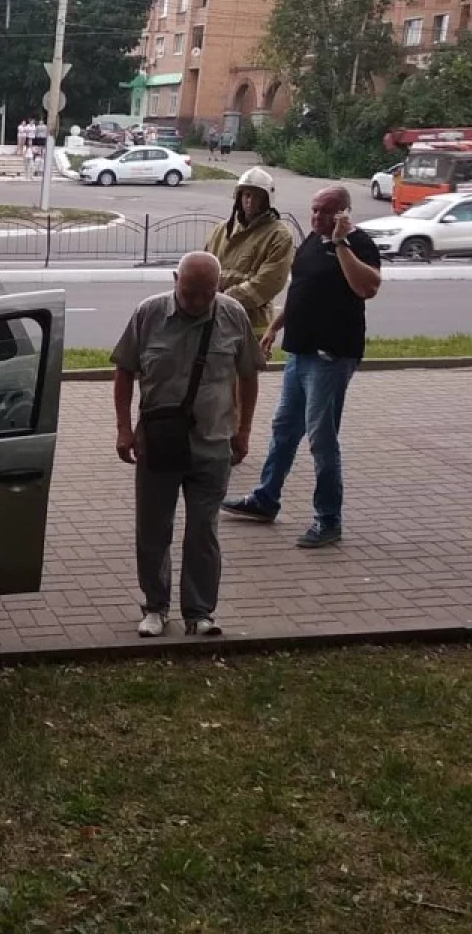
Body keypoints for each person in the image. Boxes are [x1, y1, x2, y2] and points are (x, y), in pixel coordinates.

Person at [221, 185, 382, 548]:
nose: (317, 217)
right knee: (284, 428)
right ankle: (266, 498)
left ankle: (328, 519)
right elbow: (301, 289)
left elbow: (367, 288)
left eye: (326, 211)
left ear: (343, 213)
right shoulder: (311, 240)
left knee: (321, 439)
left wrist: (340, 244)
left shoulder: (359, 244)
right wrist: (275, 327)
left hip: (331, 356)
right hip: (300, 353)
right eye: (314, 210)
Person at [112, 251, 261, 638]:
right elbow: (124, 371)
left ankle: (199, 612)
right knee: (153, 529)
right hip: (158, 444)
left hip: (213, 444)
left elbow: (248, 376)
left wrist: (243, 430)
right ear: (175, 280)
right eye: (189, 292)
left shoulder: (233, 315)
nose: (196, 301)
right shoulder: (148, 314)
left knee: (203, 530)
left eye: (206, 293)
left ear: (218, 286)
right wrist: (124, 429)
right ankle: (155, 606)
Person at [204, 167, 295, 339]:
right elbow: (204, 268)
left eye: (257, 196)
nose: (250, 201)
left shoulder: (279, 235)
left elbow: (268, 283)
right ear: (238, 196)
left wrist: (222, 300)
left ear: (267, 200)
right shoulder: (221, 230)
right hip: (216, 321)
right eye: (246, 195)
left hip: (252, 326)